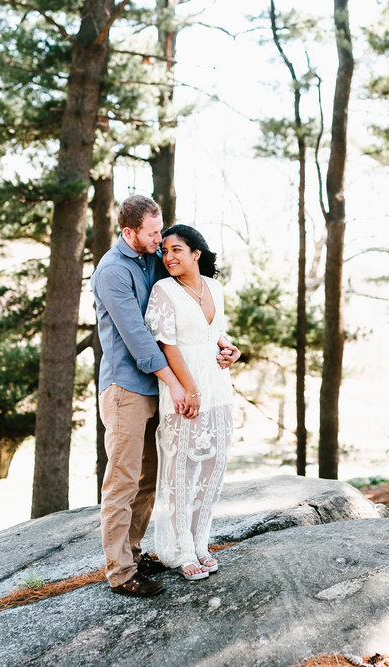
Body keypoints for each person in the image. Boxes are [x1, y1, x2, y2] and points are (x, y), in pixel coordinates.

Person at [91, 195, 237, 597]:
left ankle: (135, 552)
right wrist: (175, 382)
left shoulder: (152, 258)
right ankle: (120, 572)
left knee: (152, 477)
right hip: (127, 388)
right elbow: (139, 336)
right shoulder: (112, 272)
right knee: (122, 480)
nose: (160, 241)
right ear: (129, 232)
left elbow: (187, 312)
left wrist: (221, 343)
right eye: (153, 234)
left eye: (162, 233)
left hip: (160, 387)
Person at [145, 224, 239, 581]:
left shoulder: (214, 287)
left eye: (176, 250)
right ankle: (179, 549)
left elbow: (216, 334)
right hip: (185, 389)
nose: (167, 257)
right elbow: (167, 345)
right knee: (181, 470)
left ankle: (201, 542)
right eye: (164, 251)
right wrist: (191, 389)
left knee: (214, 463)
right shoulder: (163, 290)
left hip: (218, 386)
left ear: (196, 254)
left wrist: (233, 350)